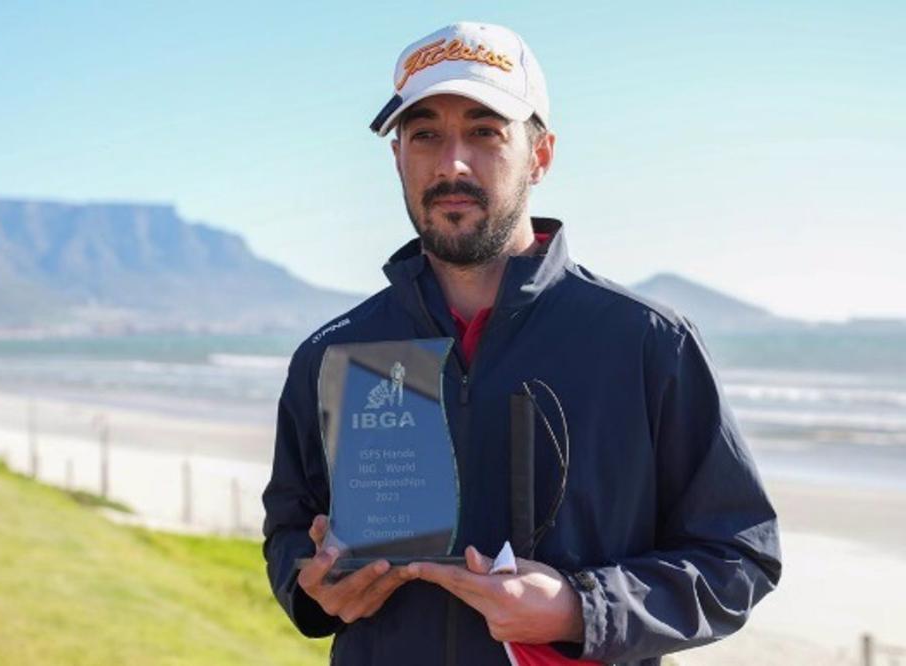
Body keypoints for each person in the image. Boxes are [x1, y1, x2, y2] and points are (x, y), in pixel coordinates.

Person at [262, 21, 781, 666]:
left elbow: (738, 555)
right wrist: (310, 586)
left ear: (540, 155)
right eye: (424, 135)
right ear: (397, 156)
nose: (452, 163)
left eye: (485, 131)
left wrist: (577, 607)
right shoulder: (333, 354)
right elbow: (289, 527)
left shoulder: (647, 343)